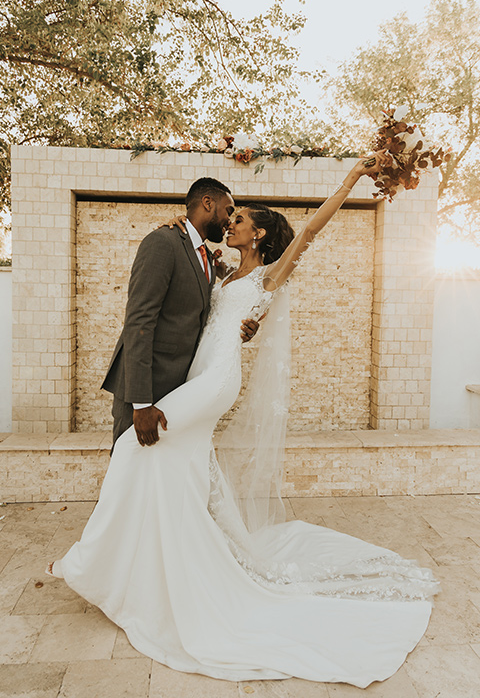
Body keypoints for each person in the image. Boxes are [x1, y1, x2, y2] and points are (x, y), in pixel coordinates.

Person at [46, 153, 439, 688]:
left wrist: (352, 178)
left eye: (238, 219)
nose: (230, 222)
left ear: (258, 235)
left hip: (214, 382)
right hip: (197, 375)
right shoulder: (222, 269)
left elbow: (314, 227)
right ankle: (143, 566)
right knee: (165, 466)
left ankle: (98, 565)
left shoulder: (272, 274)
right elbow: (191, 285)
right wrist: (175, 226)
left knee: (138, 450)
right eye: (227, 215)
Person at [99, 176, 259, 449]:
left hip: (182, 389)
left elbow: (205, 315)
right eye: (228, 210)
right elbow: (139, 321)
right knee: (131, 470)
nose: (229, 221)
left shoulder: (208, 257)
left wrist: (241, 327)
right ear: (208, 203)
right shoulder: (163, 242)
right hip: (147, 389)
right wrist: (142, 403)